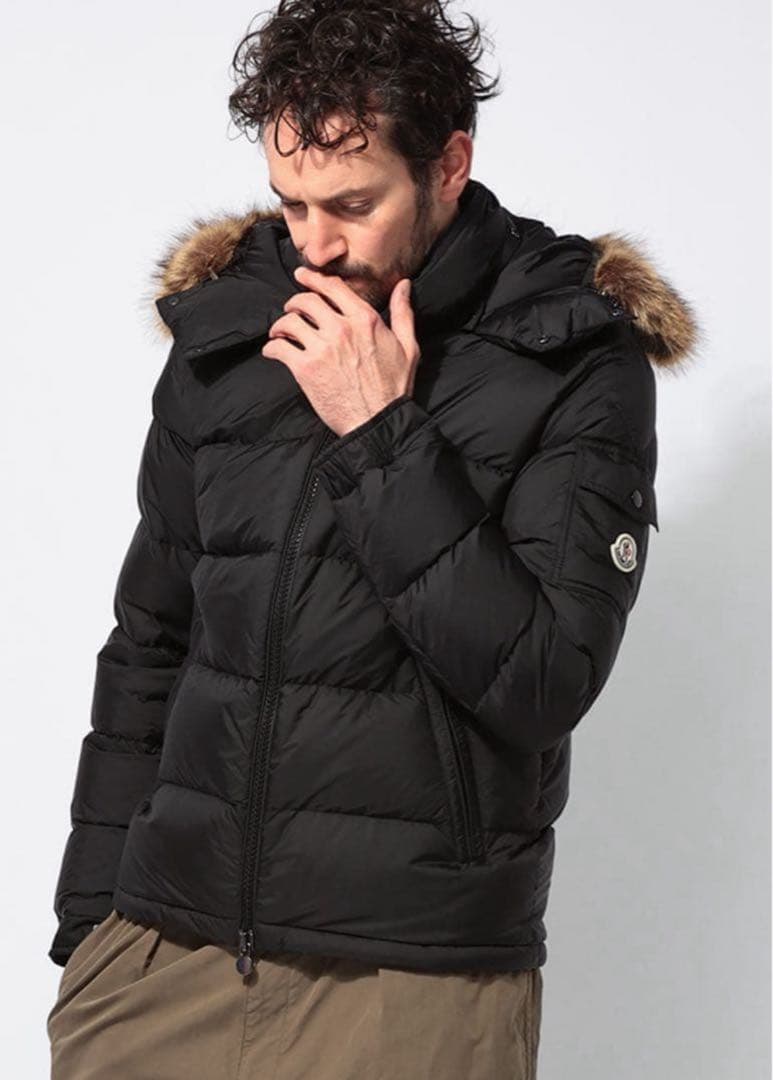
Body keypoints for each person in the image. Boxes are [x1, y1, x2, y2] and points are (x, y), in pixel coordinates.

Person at [46, 0, 701, 1076]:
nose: (314, 244)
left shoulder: (570, 351)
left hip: (411, 984)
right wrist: (91, 937)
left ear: (447, 166)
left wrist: (383, 435)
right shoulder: (231, 323)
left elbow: (544, 680)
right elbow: (149, 641)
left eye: (352, 204)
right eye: (290, 202)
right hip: (165, 962)